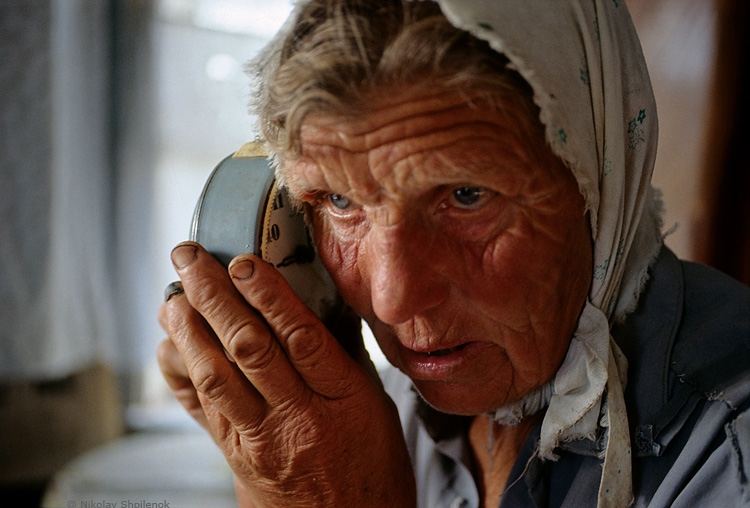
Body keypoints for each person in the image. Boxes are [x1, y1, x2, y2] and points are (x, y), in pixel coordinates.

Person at [157, 1, 750, 507]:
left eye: (467, 197)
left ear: (598, 178)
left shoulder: (729, 455)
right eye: (339, 200)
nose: (392, 298)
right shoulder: (380, 415)